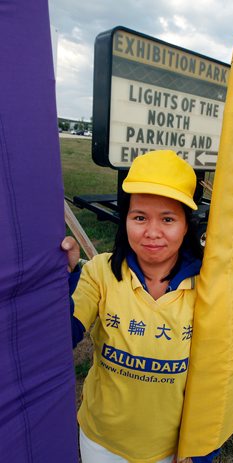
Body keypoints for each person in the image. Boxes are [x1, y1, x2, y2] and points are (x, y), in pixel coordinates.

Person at [62, 150, 218, 463]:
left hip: (168, 449)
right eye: (140, 217)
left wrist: (200, 452)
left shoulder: (210, 288)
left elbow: (217, 378)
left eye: (168, 219)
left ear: (188, 225)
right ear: (126, 219)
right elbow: (61, 336)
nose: (152, 232)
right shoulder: (100, 272)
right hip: (100, 443)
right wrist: (57, 284)